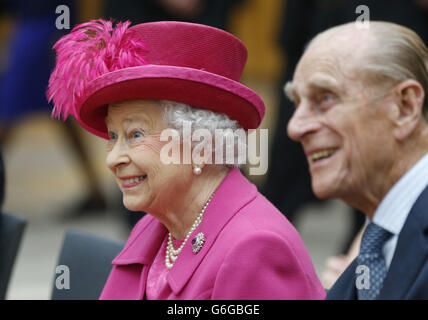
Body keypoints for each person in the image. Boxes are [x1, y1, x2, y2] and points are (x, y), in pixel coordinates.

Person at [47, 19, 325, 300]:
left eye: (135, 134)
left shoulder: (254, 248)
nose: (114, 158)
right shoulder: (155, 226)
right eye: (113, 136)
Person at [286, 21, 428, 299]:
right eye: (296, 103)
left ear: (405, 106)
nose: (295, 127)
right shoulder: (371, 254)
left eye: (325, 98)